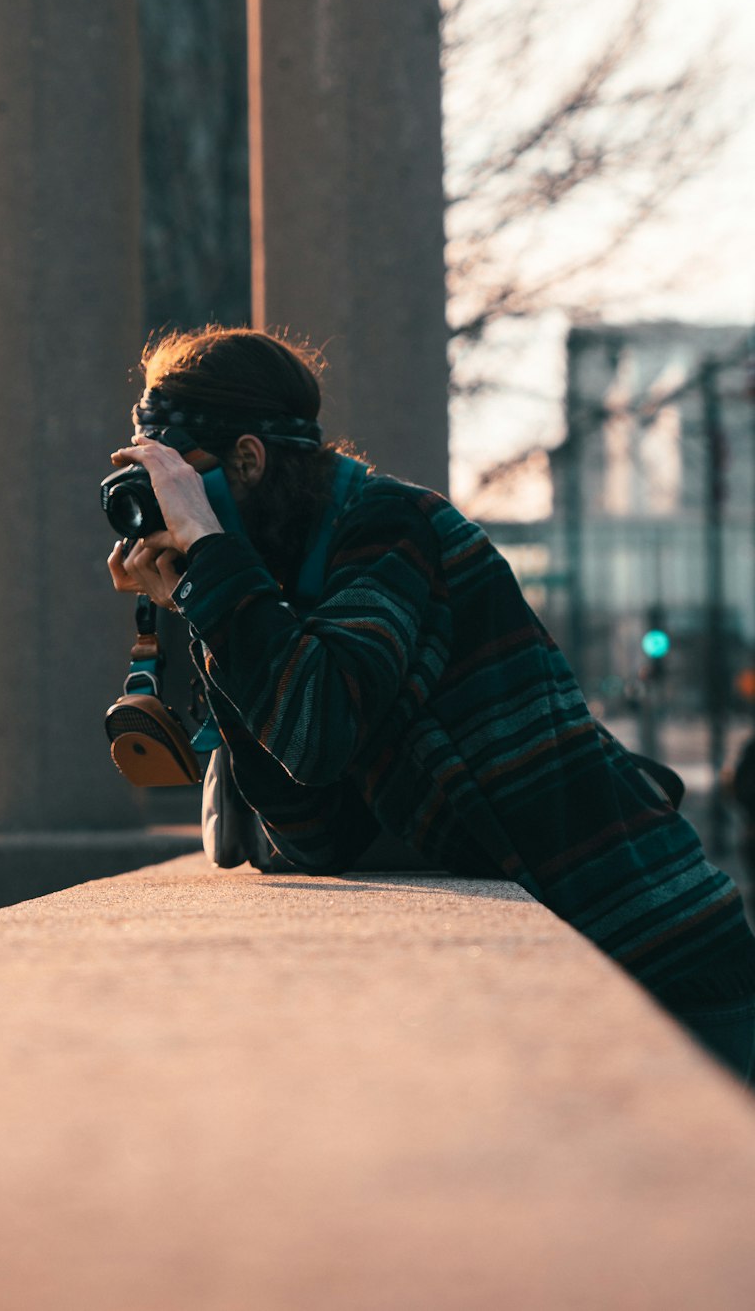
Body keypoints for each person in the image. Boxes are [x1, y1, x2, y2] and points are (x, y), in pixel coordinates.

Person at [108, 325, 755, 1086]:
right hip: (573, 945)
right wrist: (202, 594)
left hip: (656, 940)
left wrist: (217, 568)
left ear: (249, 460)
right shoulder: (281, 582)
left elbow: (314, 730)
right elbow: (313, 831)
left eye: (178, 481)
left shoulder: (390, 529)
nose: (165, 507)